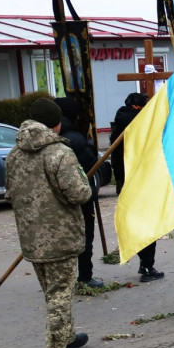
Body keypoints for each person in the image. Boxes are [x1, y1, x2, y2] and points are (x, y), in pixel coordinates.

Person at [5, 99, 93, 348]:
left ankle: (66, 336)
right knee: (61, 293)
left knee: (53, 292)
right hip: (60, 236)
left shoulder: (14, 155)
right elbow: (79, 193)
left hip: (31, 237)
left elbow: (10, 194)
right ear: (55, 123)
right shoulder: (59, 153)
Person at [53, 97, 106, 289]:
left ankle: (59, 279)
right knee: (84, 236)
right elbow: (89, 165)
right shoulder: (75, 139)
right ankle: (84, 276)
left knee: (59, 238)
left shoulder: (48, 137)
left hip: (54, 198)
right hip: (78, 196)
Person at [109, 92, 163, 281]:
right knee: (148, 223)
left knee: (135, 221)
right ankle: (147, 267)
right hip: (142, 181)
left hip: (124, 182)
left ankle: (144, 263)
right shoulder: (142, 123)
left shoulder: (119, 121)